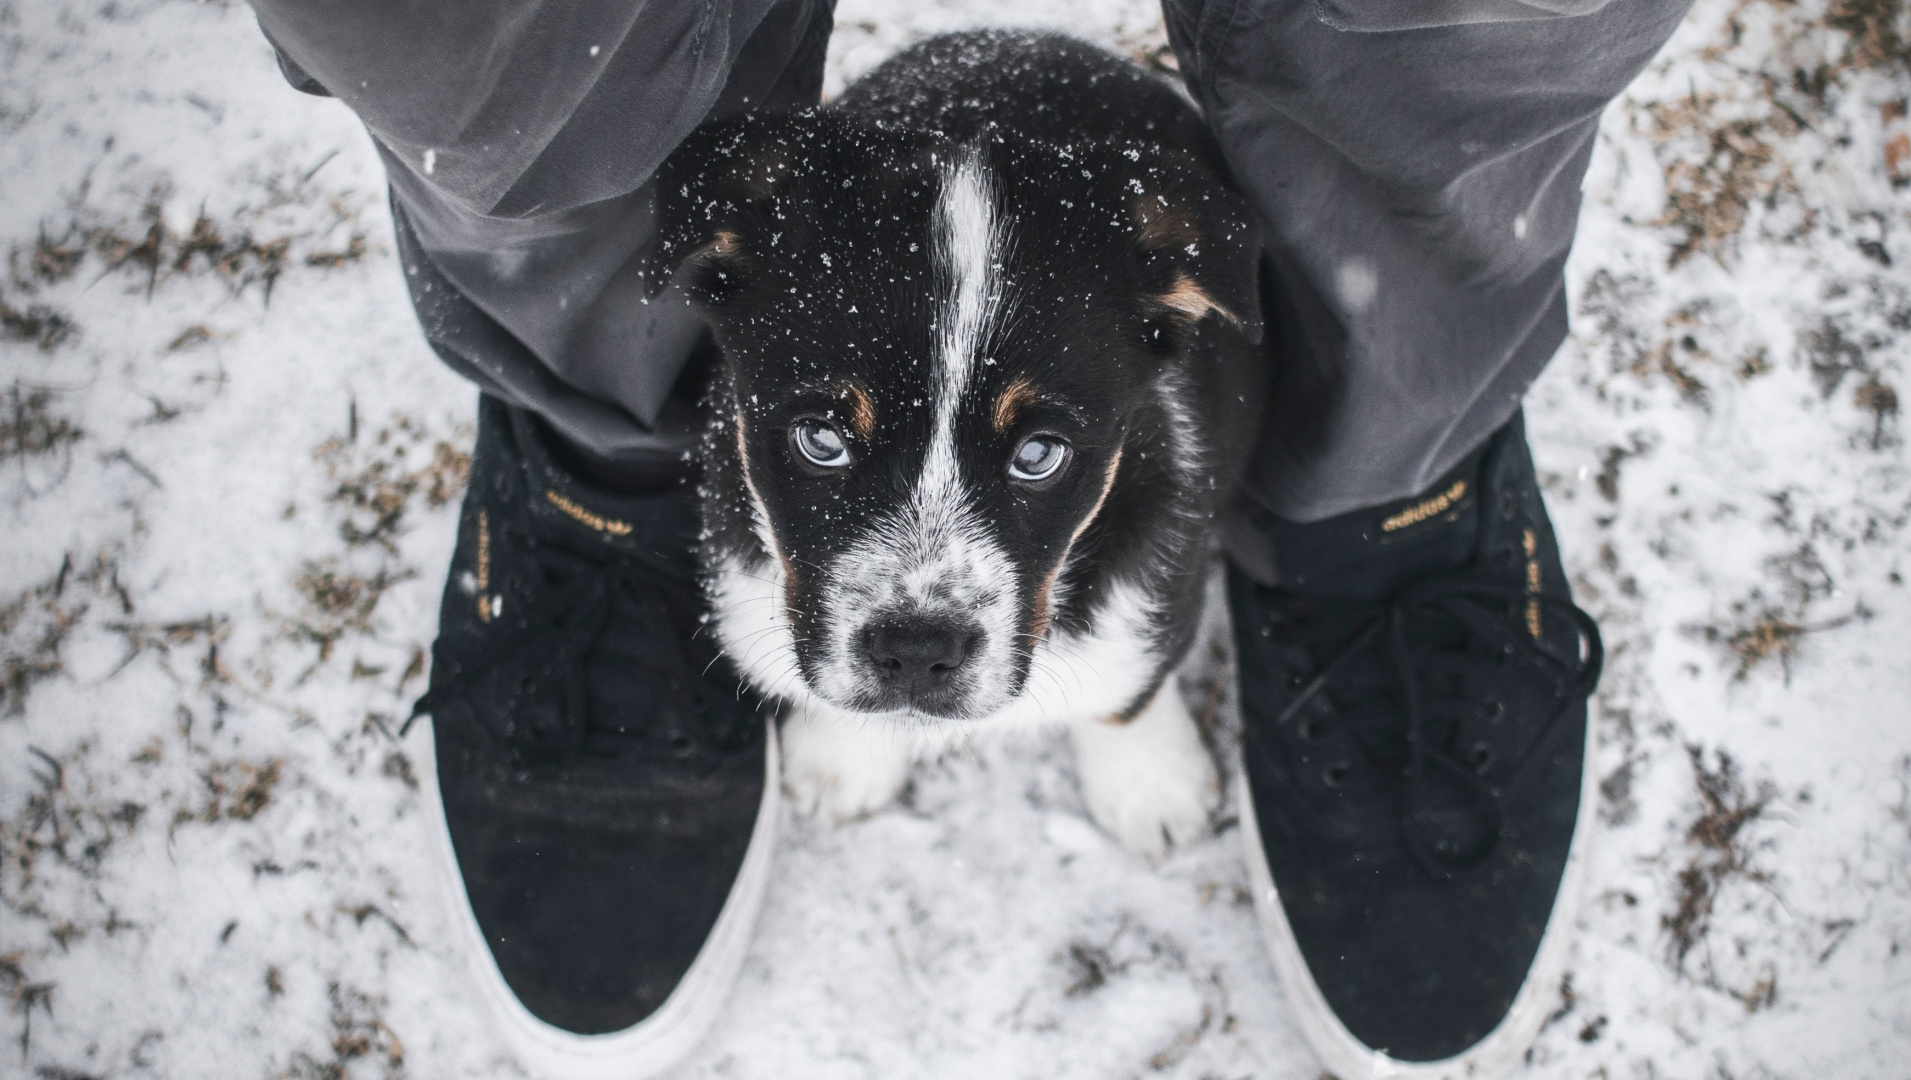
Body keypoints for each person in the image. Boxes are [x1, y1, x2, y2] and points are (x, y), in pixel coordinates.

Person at [247, 0, 1689, 1074]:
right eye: (824, 434)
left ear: (1172, 328)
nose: (922, 591)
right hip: (819, 231)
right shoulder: (763, 261)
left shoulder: (1155, 325)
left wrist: (1125, 707)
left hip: (1088, 268)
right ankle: (604, 441)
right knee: (485, 39)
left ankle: (1390, 454)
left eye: (1041, 448)